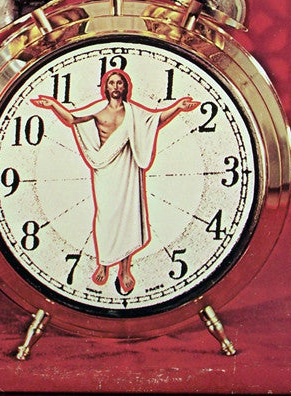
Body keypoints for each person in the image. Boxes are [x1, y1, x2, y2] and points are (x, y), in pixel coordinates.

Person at [32, 69, 198, 294]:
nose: (116, 87)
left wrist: (177, 107)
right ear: (106, 87)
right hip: (106, 170)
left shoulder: (134, 113)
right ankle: (104, 263)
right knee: (107, 217)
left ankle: (125, 269)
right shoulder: (98, 111)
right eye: (112, 83)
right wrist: (53, 105)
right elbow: (72, 118)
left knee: (128, 217)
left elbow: (156, 119)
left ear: (125, 87)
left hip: (128, 169)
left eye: (120, 83)